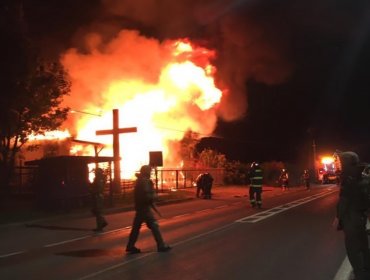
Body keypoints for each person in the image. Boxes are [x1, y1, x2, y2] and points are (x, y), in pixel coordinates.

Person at [333, 151, 370, 280]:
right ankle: (366, 270)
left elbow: (344, 201)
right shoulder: (365, 177)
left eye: (341, 162)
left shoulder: (348, 178)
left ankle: (360, 275)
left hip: (351, 218)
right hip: (362, 217)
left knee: (352, 249)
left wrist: (338, 218)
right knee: (364, 246)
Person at [126, 165, 171, 254]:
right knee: (154, 226)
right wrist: (154, 197)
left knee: (136, 228)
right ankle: (161, 245)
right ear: (146, 172)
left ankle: (130, 246)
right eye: (149, 171)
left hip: (140, 208)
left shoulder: (139, 181)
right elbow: (147, 196)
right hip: (145, 208)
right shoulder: (145, 182)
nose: (151, 173)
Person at [90, 168, 108, 232]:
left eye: (96, 172)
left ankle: (100, 227)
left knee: (98, 212)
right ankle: (102, 222)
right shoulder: (100, 178)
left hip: (98, 196)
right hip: (98, 195)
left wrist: (93, 191)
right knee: (95, 211)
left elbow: (99, 188)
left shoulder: (99, 178)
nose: (95, 173)